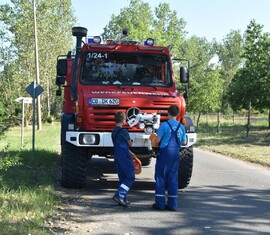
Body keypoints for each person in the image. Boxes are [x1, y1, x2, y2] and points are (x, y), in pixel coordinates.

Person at [152, 105, 187, 211]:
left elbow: (157, 141)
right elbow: (184, 142)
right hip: (176, 154)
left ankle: (160, 204)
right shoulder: (181, 127)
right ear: (177, 114)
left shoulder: (164, 125)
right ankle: (172, 205)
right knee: (173, 178)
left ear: (168, 113)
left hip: (165, 153)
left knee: (161, 177)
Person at [111, 111, 135, 207]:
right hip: (124, 157)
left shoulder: (114, 131)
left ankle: (123, 199)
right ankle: (120, 195)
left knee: (122, 178)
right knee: (130, 177)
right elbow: (129, 144)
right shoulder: (124, 131)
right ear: (123, 120)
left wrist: (130, 152)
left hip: (117, 155)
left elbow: (119, 144)